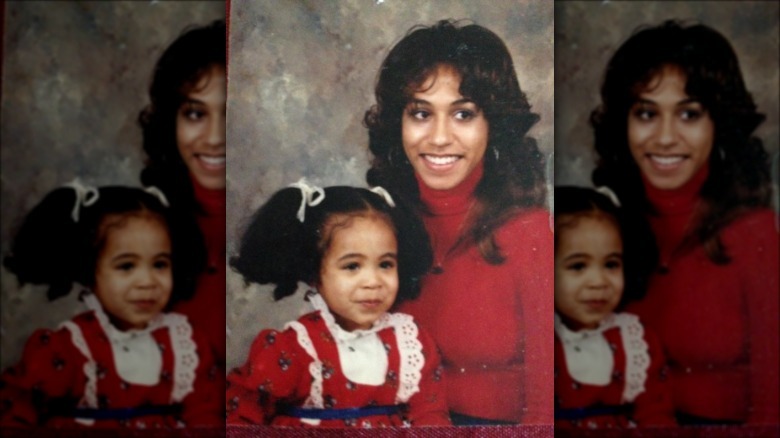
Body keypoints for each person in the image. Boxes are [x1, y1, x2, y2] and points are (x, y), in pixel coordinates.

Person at [363, 19, 553, 424]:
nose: (439, 137)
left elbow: (545, 404)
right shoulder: (378, 225)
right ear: (398, 123)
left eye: (463, 114)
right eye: (420, 113)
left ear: (494, 126)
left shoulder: (528, 231)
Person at [590, 20, 779, 425]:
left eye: (689, 114)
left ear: (719, 124)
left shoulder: (754, 232)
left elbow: (772, 406)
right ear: (623, 122)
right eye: (646, 113)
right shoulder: (605, 225)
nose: (665, 137)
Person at [225, 179, 451, 427]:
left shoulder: (412, 345)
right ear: (315, 274)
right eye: (352, 266)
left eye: (385, 264)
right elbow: (239, 417)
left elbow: (431, 417)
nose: (373, 282)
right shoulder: (291, 349)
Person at [0, 180, 223, 428]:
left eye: (160, 264)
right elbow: (14, 418)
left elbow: (206, 416)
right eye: (126, 266)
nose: (147, 282)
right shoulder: (66, 349)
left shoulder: (187, 344)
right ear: (90, 271)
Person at [138, 19, 227, 370]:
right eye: (195, 114)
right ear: (169, 122)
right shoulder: (138, 226)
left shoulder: (284, 225)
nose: (215, 137)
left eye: (230, 113)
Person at [553, 186, 676, 429]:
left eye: (611, 264)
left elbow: (656, 417)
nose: (599, 282)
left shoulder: (637, 340)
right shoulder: (534, 344)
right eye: (578, 266)